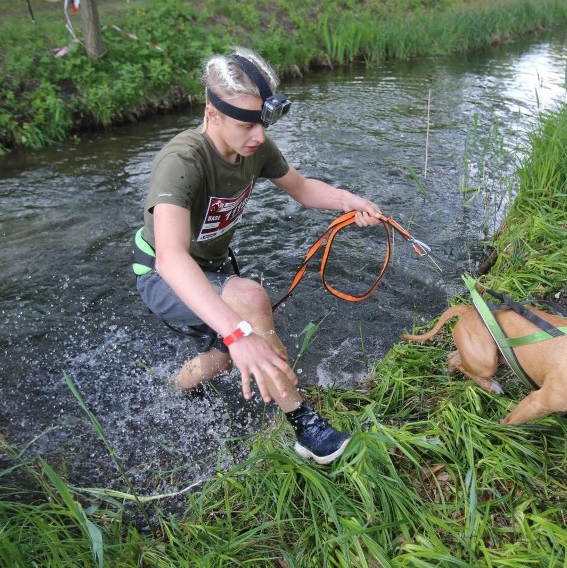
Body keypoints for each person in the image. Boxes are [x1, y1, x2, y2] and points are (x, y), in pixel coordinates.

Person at [133, 46, 382, 465]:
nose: (259, 135)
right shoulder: (181, 162)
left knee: (226, 359)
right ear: (212, 113)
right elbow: (170, 260)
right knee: (249, 303)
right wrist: (238, 331)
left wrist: (349, 201)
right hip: (162, 275)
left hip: (211, 268)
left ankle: (180, 388)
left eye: (263, 121)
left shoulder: (255, 149)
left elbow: (302, 189)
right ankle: (304, 426)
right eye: (245, 123)